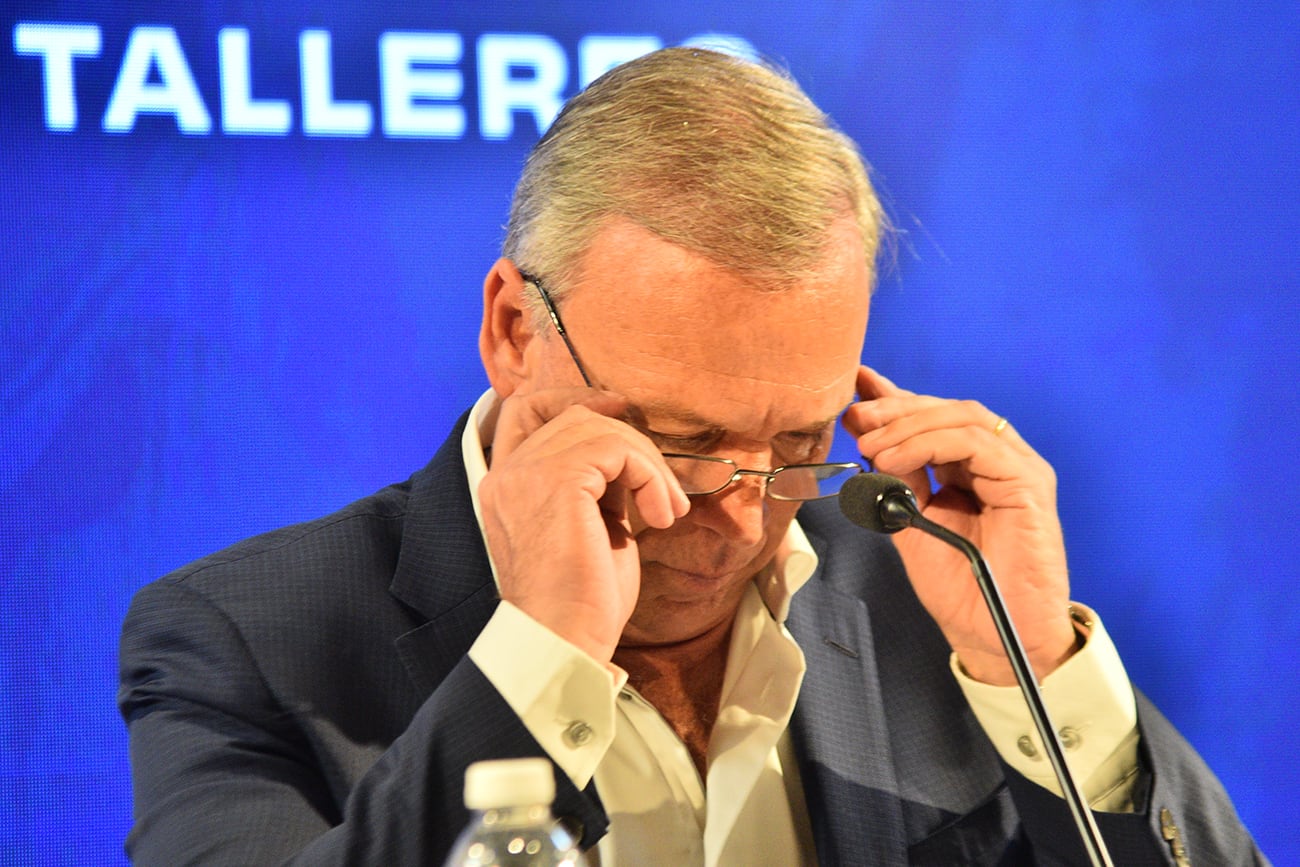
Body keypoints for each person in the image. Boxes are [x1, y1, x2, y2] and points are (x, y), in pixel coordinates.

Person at [119, 47, 1266, 865]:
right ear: (514, 331)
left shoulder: (931, 599)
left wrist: (1039, 676)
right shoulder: (248, 640)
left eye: (799, 443)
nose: (734, 515)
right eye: (678, 440)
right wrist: (537, 660)